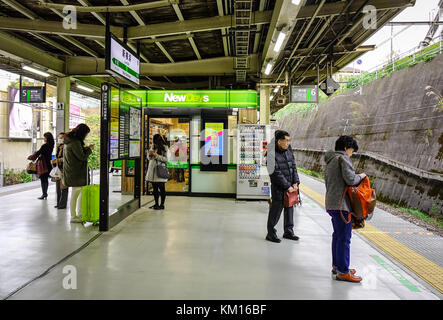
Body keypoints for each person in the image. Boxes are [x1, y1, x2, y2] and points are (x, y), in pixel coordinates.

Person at [324, 135, 367, 283]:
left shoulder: (330, 160)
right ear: (345, 148)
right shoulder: (343, 159)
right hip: (342, 205)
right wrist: (361, 176)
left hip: (331, 203)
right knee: (344, 238)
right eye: (351, 151)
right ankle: (343, 272)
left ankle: (338, 266)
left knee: (337, 236)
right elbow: (351, 180)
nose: (351, 154)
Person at [265, 130, 300, 243]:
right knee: (276, 211)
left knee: (290, 209)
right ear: (279, 141)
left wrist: (295, 182)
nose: (288, 143)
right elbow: (275, 173)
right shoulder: (271, 154)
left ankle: (288, 232)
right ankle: (271, 233)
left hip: (291, 186)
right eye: (286, 140)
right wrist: (287, 186)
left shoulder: (288, 150)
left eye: (289, 140)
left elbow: (293, 167)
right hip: (279, 188)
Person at [62, 124, 93, 223]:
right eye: (86, 134)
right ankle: (74, 216)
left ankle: (78, 215)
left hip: (73, 172)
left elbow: (76, 154)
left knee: (77, 194)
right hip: (76, 173)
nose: (86, 136)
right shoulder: (75, 142)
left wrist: (85, 149)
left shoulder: (70, 141)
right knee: (76, 194)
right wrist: (89, 150)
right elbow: (82, 157)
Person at [28, 132, 54, 200]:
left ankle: (44, 194)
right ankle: (45, 193)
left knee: (43, 179)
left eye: (44, 137)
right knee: (45, 179)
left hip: (43, 164)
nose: (44, 138)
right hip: (48, 164)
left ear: (47, 138)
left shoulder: (45, 145)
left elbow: (38, 152)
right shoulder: (51, 145)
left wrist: (31, 157)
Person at [146, 134, 169, 210]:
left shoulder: (165, 148)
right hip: (153, 170)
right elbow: (149, 158)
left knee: (162, 188)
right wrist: (149, 155)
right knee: (154, 189)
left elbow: (166, 159)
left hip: (160, 170)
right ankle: (156, 204)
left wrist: (156, 156)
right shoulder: (153, 146)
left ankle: (162, 204)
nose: (154, 143)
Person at [51, 132, 69, 209]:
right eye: (59, 137)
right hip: (58, 169)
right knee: (58, 187)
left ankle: (63, 204)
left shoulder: (67, 147)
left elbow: (67, 158)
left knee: (64, 187)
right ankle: (58, 203)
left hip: (64, 169)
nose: (60, 139)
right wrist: (55, 161)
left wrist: (58, 160)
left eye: (62, 138)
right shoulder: (59, 147)